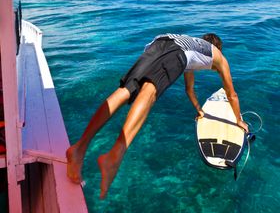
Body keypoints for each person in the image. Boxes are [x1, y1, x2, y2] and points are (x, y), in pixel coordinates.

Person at [66, 33, 248, 199]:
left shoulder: (194, 48)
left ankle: (79, 148)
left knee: (126, 91)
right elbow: (231, 94)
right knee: (150, 91)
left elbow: (189, 89)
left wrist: (199, 109)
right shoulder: (218, 56)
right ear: (217, 47)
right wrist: (239, 121)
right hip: (176, 52)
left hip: (159, 42)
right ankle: (114, 156)